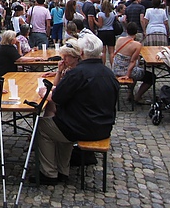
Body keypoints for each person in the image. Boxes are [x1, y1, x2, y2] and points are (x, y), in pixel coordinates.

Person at [34, 33, 119, 185]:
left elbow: (57, 97)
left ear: (81, 53)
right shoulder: (109, 73)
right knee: (60, 122)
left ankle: (49, 172)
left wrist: (44, 93)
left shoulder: (77, 73)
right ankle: (62, 170)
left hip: (80, 127)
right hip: (104, 126)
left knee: (41, 126)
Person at [112, 22, 154, 104]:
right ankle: (137, 97)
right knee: (151, 77)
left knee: (135, 71)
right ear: (136, 32)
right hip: (126, 71)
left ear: (126, 31)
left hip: (115, 69)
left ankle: (130, 94)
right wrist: (127, 75)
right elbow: (132, 62)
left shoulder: (119, 39)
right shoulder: (137, 45)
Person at [95, 0, 116, 65]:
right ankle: (112, 65)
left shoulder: (100, 14)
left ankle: (103, 65)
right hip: (111, 31)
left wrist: (94, 21)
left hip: (102, 32)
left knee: (103, 52)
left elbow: (100, 25)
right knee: (111, 51)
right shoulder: (113, 13)